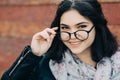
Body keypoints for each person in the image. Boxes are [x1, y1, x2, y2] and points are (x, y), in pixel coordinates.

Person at [1, 0, 120, 80]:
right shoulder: (47, 67)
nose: (72, 36)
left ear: (97, 27)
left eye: (82, 27)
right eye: (65, 28)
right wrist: (34, 53)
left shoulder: (117, 64)